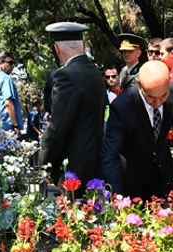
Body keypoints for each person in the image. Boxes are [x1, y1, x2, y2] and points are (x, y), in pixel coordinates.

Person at [101, 61, 173, 200]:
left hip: (161, 174)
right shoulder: (122, 106)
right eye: (150, 97)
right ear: (139, 84)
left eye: (163, 95)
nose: (158, 103)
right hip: (132, 178)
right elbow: (110, 154)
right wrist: (117, 197)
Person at [39, 22, 107, 184]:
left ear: (56, 49)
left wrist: (44, 161)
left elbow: (58, 126)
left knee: (71, 207)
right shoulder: (95, 73)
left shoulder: (66, 76)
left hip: (73, 166)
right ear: (83, 45)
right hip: (95, 158)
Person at [0, 52, 23, 132]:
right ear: (1, 62)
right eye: (10, 63)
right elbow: (8, 103)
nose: (13, 66)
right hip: (7, 126)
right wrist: (16, 125)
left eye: (13, 63)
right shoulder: (6, 78)